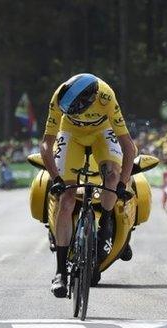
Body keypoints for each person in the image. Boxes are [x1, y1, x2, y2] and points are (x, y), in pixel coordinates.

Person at [40, 73, 137, 298]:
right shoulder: (59, 98)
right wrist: (56, 179)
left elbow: (128, 147)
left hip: (102, 132)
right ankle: (60, 273)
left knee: (111, 176)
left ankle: (106, 222)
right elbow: (46, 143)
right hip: (70, 134)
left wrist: (122, 184)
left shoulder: (106, 97)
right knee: (66, 199)